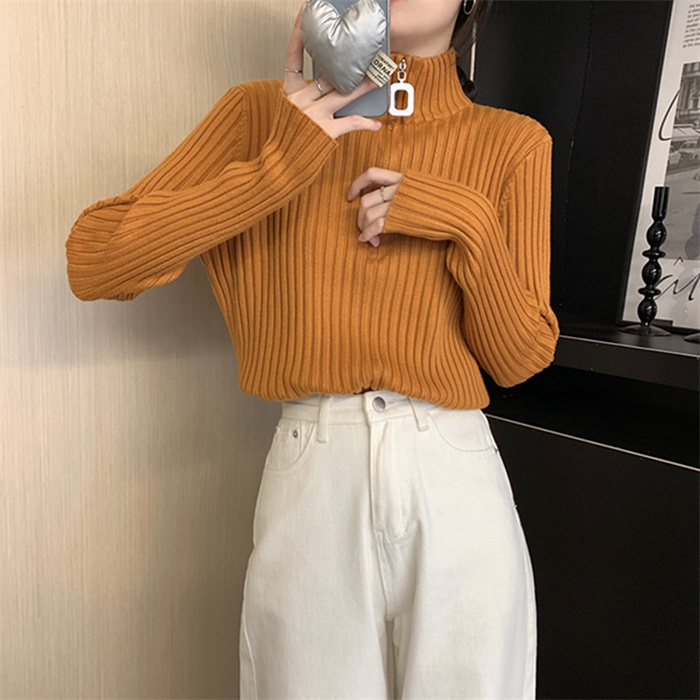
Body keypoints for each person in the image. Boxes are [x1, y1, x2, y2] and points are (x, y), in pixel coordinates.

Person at [65, 0, 559, 696]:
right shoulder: (261, 116)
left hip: (455, 474)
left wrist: (467, 223)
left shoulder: (513, 143)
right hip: (315, 469)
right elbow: (94, 261)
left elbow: (521, 358)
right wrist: (281, 165)